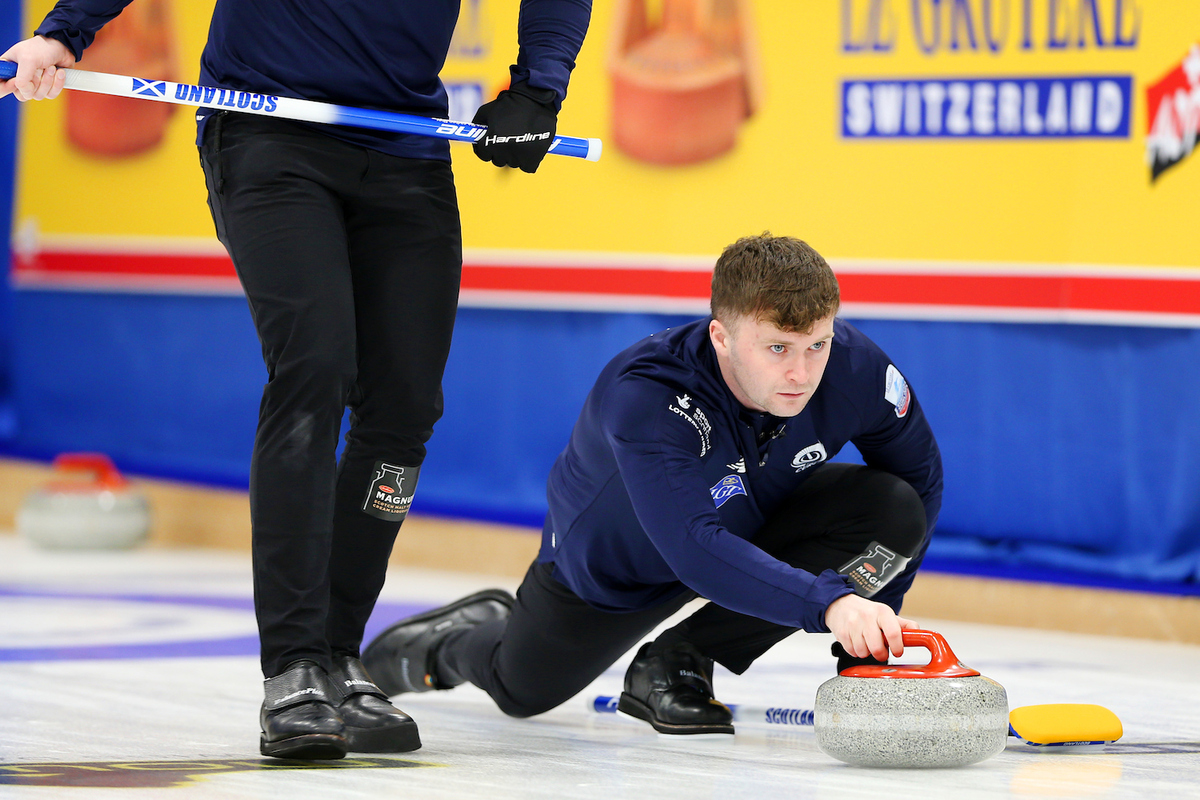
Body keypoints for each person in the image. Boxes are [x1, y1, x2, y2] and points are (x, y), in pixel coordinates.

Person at [2, 0, 592, 759]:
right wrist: (63, 32)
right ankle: (293, 668)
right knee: (314, 368)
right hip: (268, 131)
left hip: (404, 146)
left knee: (405, 406)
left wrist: (540, 87)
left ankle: (339, 657)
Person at [361, 233, 943, 735]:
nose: (802, 372)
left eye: (817, 344)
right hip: (620, 568)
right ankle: (448, 642)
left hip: (753, 524)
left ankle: (680, 658)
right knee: (523, 690)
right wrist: (831, 603)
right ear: (721, 337)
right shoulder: (648, 395)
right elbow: (693, 548)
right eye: (777, 348)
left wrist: (875, 637)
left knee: (894, 510)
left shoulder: (854, 369)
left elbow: (920, 477)